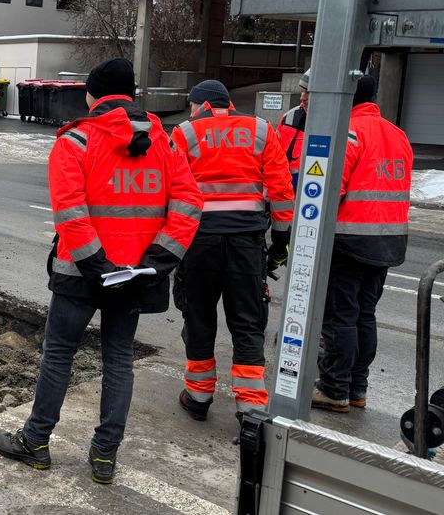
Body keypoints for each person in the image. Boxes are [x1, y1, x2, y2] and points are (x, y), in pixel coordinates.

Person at [0, 58, 202, 484]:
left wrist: (96, 266)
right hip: (134, 277)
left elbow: (71, 213)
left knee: (59, 355)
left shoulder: (77, 142)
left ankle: (36, 441)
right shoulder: (165, 143)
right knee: (119, 361)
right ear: (132, 95)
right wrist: (154, 264)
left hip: (80, 275)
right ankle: (104, 457)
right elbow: (188, 206)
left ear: (93, 95)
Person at [170, 80, 294, 422]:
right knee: (247, 321)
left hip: (199, 241)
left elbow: (171, 190)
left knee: (198, 316)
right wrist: (280, 242)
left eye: (192, 105)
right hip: (247, 241)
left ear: (201, 104)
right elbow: (282, 191)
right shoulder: (262, 129)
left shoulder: (184, 132)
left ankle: (198, 395)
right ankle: (251, 406)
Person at [313, 76, 412, 412]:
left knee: (340, 316)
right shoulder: (398, 135)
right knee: (364, 315)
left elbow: (329, 192)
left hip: (350, 240)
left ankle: (333, 388)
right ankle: (357, 388)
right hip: (387, 241)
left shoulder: (350, 133)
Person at [277, 70, 310, 187]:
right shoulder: (289, 118)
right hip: (288, 191)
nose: (302, 98)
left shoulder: (341, 123)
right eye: (302, 91)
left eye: (309, 92)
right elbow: (274, 159)